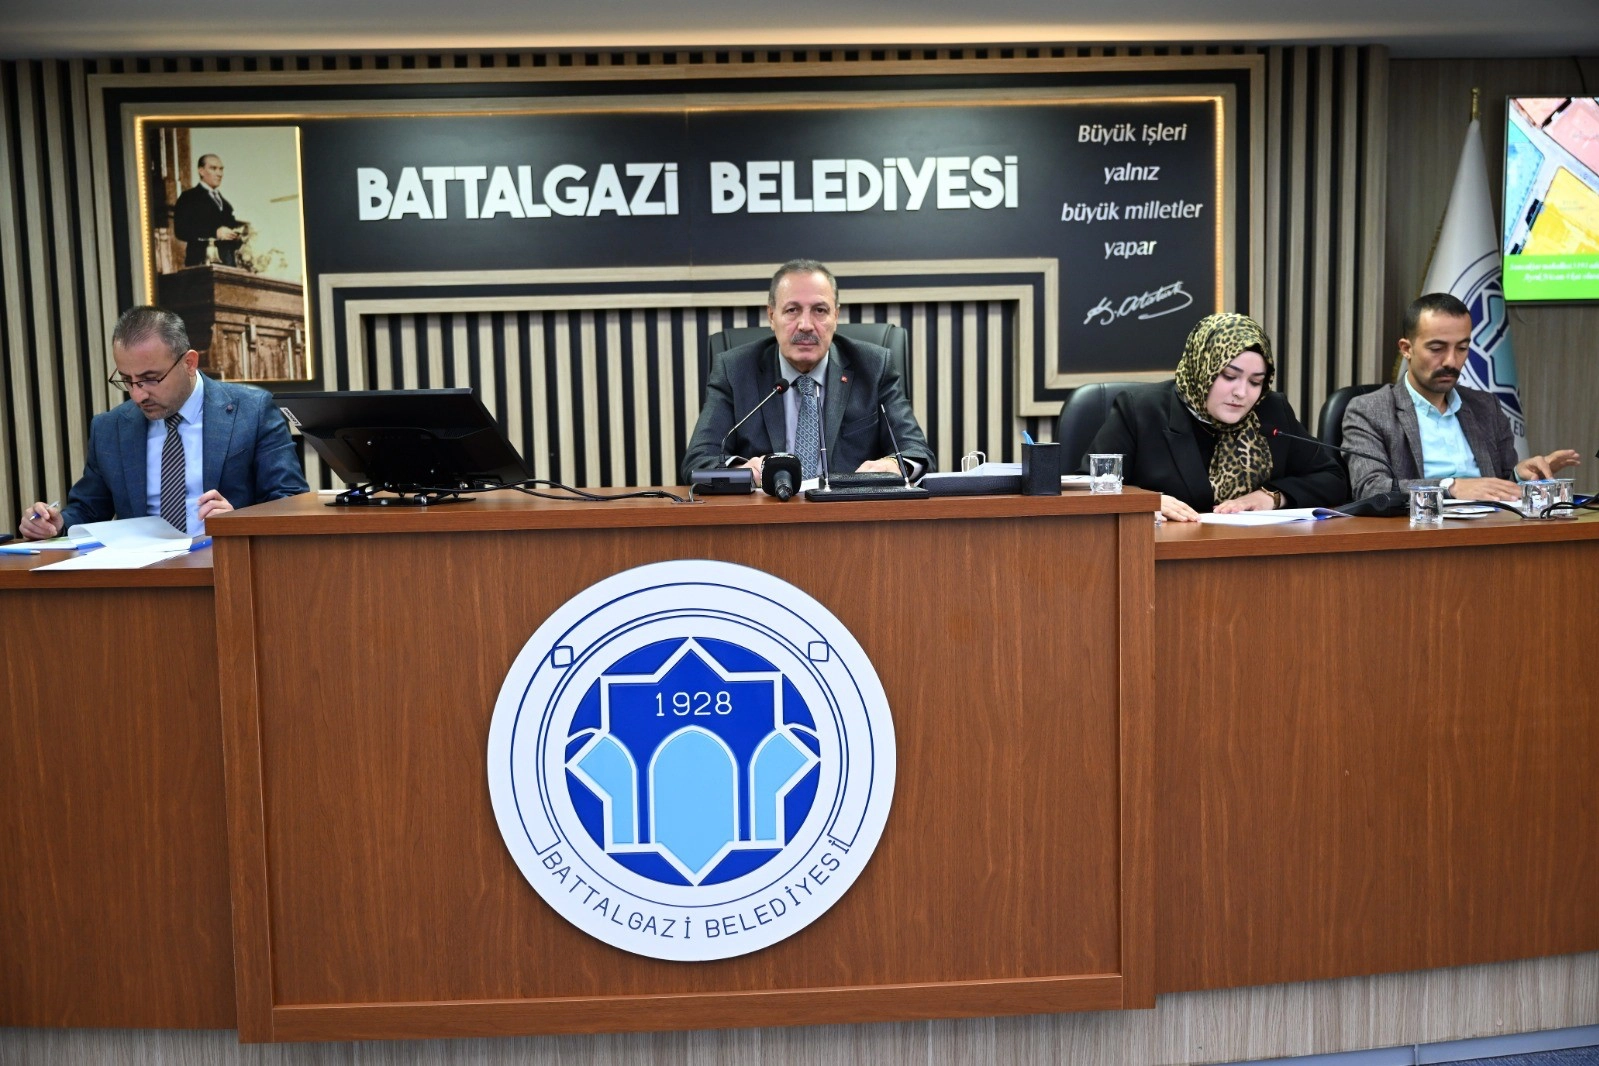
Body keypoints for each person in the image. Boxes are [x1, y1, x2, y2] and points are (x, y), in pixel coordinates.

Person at [17, 306, 307, 540]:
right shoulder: (109, 428)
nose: (138, 395)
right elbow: (89, 510)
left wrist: (238, 520)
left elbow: (290, 499)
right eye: (127, 380)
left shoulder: (253, 411)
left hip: (229, 566)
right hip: (143, 579)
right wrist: (56, 524)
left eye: (150, 379)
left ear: (189, 363)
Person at [681, 259, 934, 483]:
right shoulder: (735, 370)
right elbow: (698, 461)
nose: (805, 325)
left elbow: (917, 454)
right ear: (772, 316)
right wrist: (742, 471)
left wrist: (893, 465)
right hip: (766, 515)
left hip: (849, 514)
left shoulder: (873, 367)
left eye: (819, 310)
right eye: (792, 310)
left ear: (836, 316)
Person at [1083, 312, 1347, 522]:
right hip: (1161, 555)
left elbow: (1332, 478)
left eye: (1255, 382)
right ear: (1202, 368)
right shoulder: (1140, 410)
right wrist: (1145, 503)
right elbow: (1089, 486)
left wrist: (1271, 497)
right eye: (1229, 376)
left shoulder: (1271, 410)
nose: (1241, 393)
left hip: (1254, 554)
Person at [1341, 292, 1579, 501]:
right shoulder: (1370, 410)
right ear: (1407, 349)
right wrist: (1450, 487)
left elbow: (1499, 483)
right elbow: (1370, 488)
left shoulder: (1486, 406)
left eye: (1462, 348)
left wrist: (1519, 476)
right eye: (1437, 349)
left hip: (1490, 526)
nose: (1451, 361)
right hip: (1420, 530)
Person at [172, 153, 242, 267]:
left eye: (221, 169)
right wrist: (214, 233)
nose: (219, 174)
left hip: (227, 267)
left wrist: (236, 237)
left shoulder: (226, 205)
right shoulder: (189, 197)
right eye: (213, 168)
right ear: (201, 171)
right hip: (201, 264)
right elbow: (181, 230)